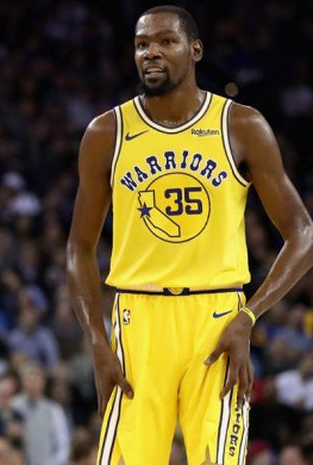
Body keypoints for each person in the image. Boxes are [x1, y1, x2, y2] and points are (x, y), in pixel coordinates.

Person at [66, 5, 313, 465]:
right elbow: (79, 248)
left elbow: (303, 233)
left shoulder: (240, 125)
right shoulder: (107, 132)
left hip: (218, 316)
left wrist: (250, 317)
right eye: (142, 45)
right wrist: (98, 342)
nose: (151, 53)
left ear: (195, 50)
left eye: (165, 42)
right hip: (137, 317)